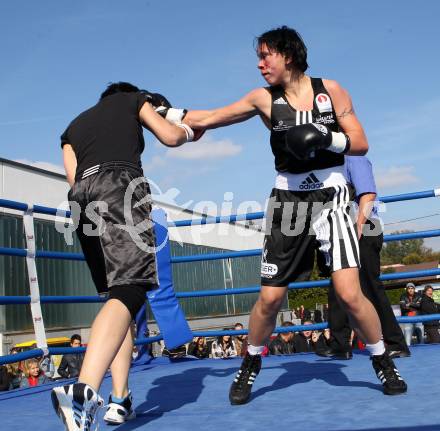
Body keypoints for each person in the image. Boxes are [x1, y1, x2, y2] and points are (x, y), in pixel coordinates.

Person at [184, 26, 407, 403]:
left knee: (351, 294)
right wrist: (167, 112)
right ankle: (249, 365)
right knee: (270, 299)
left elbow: (362, 141)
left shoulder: (331, 90)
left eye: (265, 55)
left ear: (287, 55)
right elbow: (215, 115)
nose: (259, 64)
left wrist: (327, 137)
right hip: (287, 201)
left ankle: (383, 360)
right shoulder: (263, 99)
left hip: (332, 196)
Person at [51, 82, 200, 430]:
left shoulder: (73, 127)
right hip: (119, 186)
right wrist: (191, 129)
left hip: (82, 198)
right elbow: (170, 136)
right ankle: (82, 393)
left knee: (119, 299)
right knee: (131, 290)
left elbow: (73, 179)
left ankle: (120, 399)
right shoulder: (135, 100)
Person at [319, 156, 410, 360]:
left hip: (364, 226)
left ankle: (396, 342)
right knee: (338, 286)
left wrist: (358, 225)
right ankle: (339, 344)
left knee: (369, 285)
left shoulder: (354, 159)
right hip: (343, 227)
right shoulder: (330, 163)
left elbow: (368, 194)